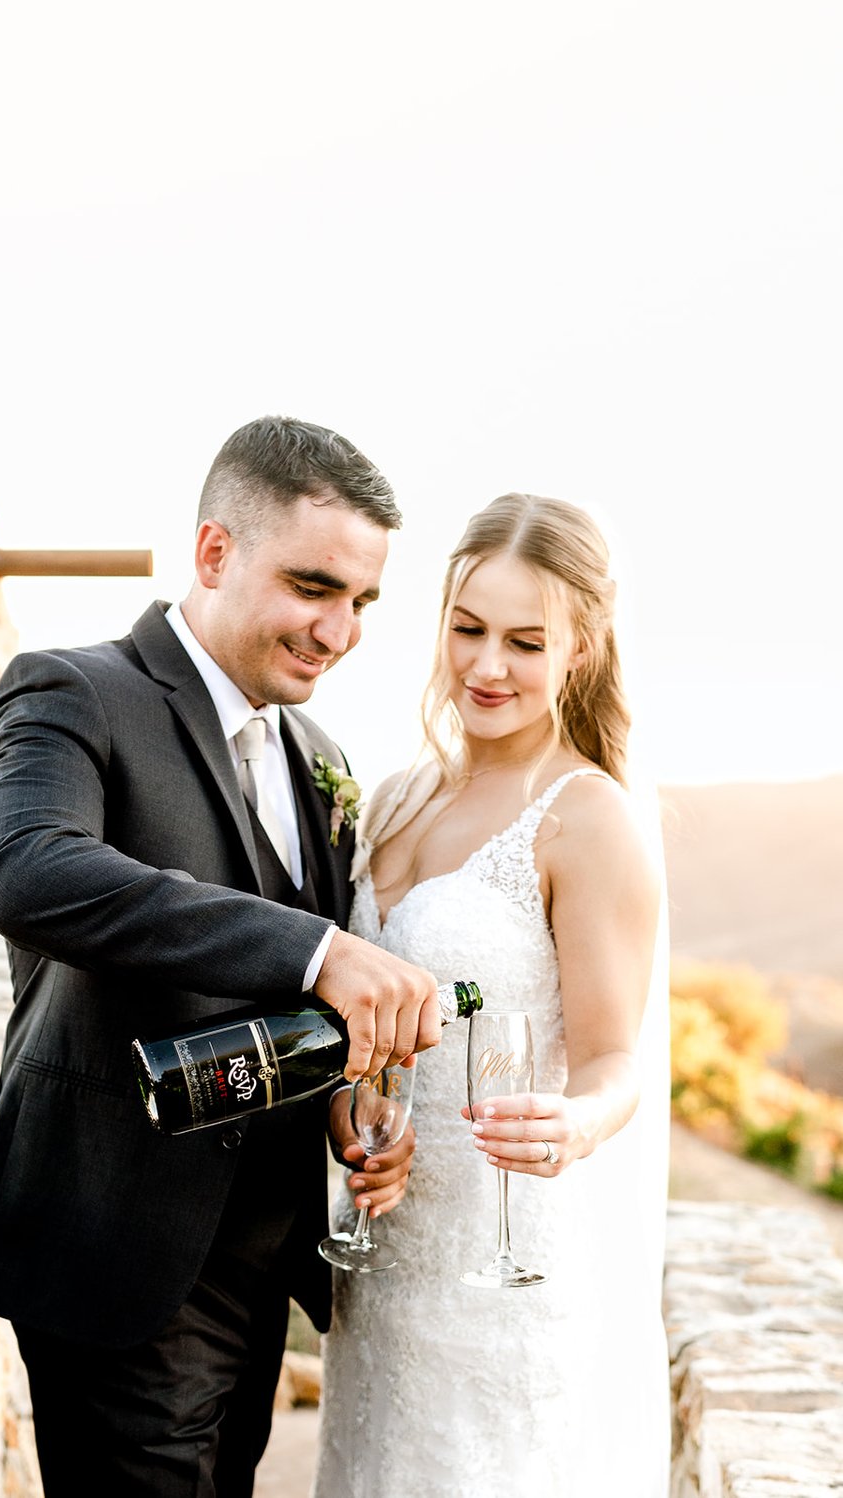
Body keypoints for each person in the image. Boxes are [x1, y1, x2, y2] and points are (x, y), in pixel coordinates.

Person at [0, 416, 446, 1498]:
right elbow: (27, 871)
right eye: (313, 586)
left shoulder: (321, 757)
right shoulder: (73, 690)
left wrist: (349, 1108)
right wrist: (317, 948)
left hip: (261, 1263)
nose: (339, 629)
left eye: (361, 601)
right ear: (214, 552)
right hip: (117, 1246)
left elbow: (295, 1011)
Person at [313, 493, 672, 1498]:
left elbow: (615, 1059)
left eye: (524, 640)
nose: (485, 666)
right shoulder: (391, 798)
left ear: (582, 647)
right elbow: (359, 1028)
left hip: (504, 1278)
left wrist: (577, 1121)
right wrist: (354, 1119)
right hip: (382, 1275)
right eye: (466, 629)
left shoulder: (584, 817)